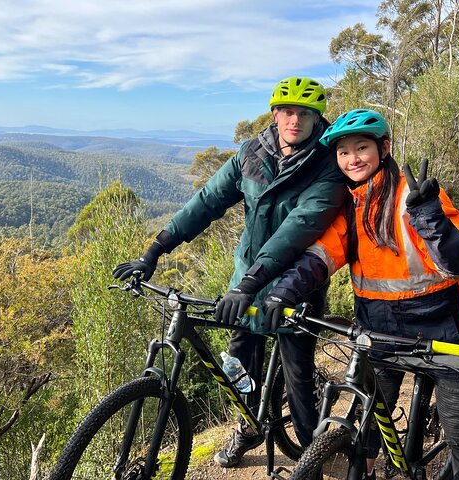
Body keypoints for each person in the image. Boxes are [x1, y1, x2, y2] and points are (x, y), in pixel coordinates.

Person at [113, 77, 347, 467]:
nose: (295, 120)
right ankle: (248, 427)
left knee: (298, 378)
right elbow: (207, 201)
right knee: (238, 365)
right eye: (288, 111)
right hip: (247, 282)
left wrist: (250, 284)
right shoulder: (252, 153)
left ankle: (311, 459)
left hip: (296, 283)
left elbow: (298, 229)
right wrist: (155, 250)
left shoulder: (328, 164)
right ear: (275, 114)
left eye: (304, 113)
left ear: (316, 118)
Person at [264, 108, 459, 479]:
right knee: (367, 423)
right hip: (381, 331)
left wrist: (429, 216)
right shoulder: (350, 206)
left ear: (383, 148)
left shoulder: (412, 196)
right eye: (343, 151)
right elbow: (320, 256)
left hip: (446, 331)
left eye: (361, 147)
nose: (352, 159)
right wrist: (281, 294)